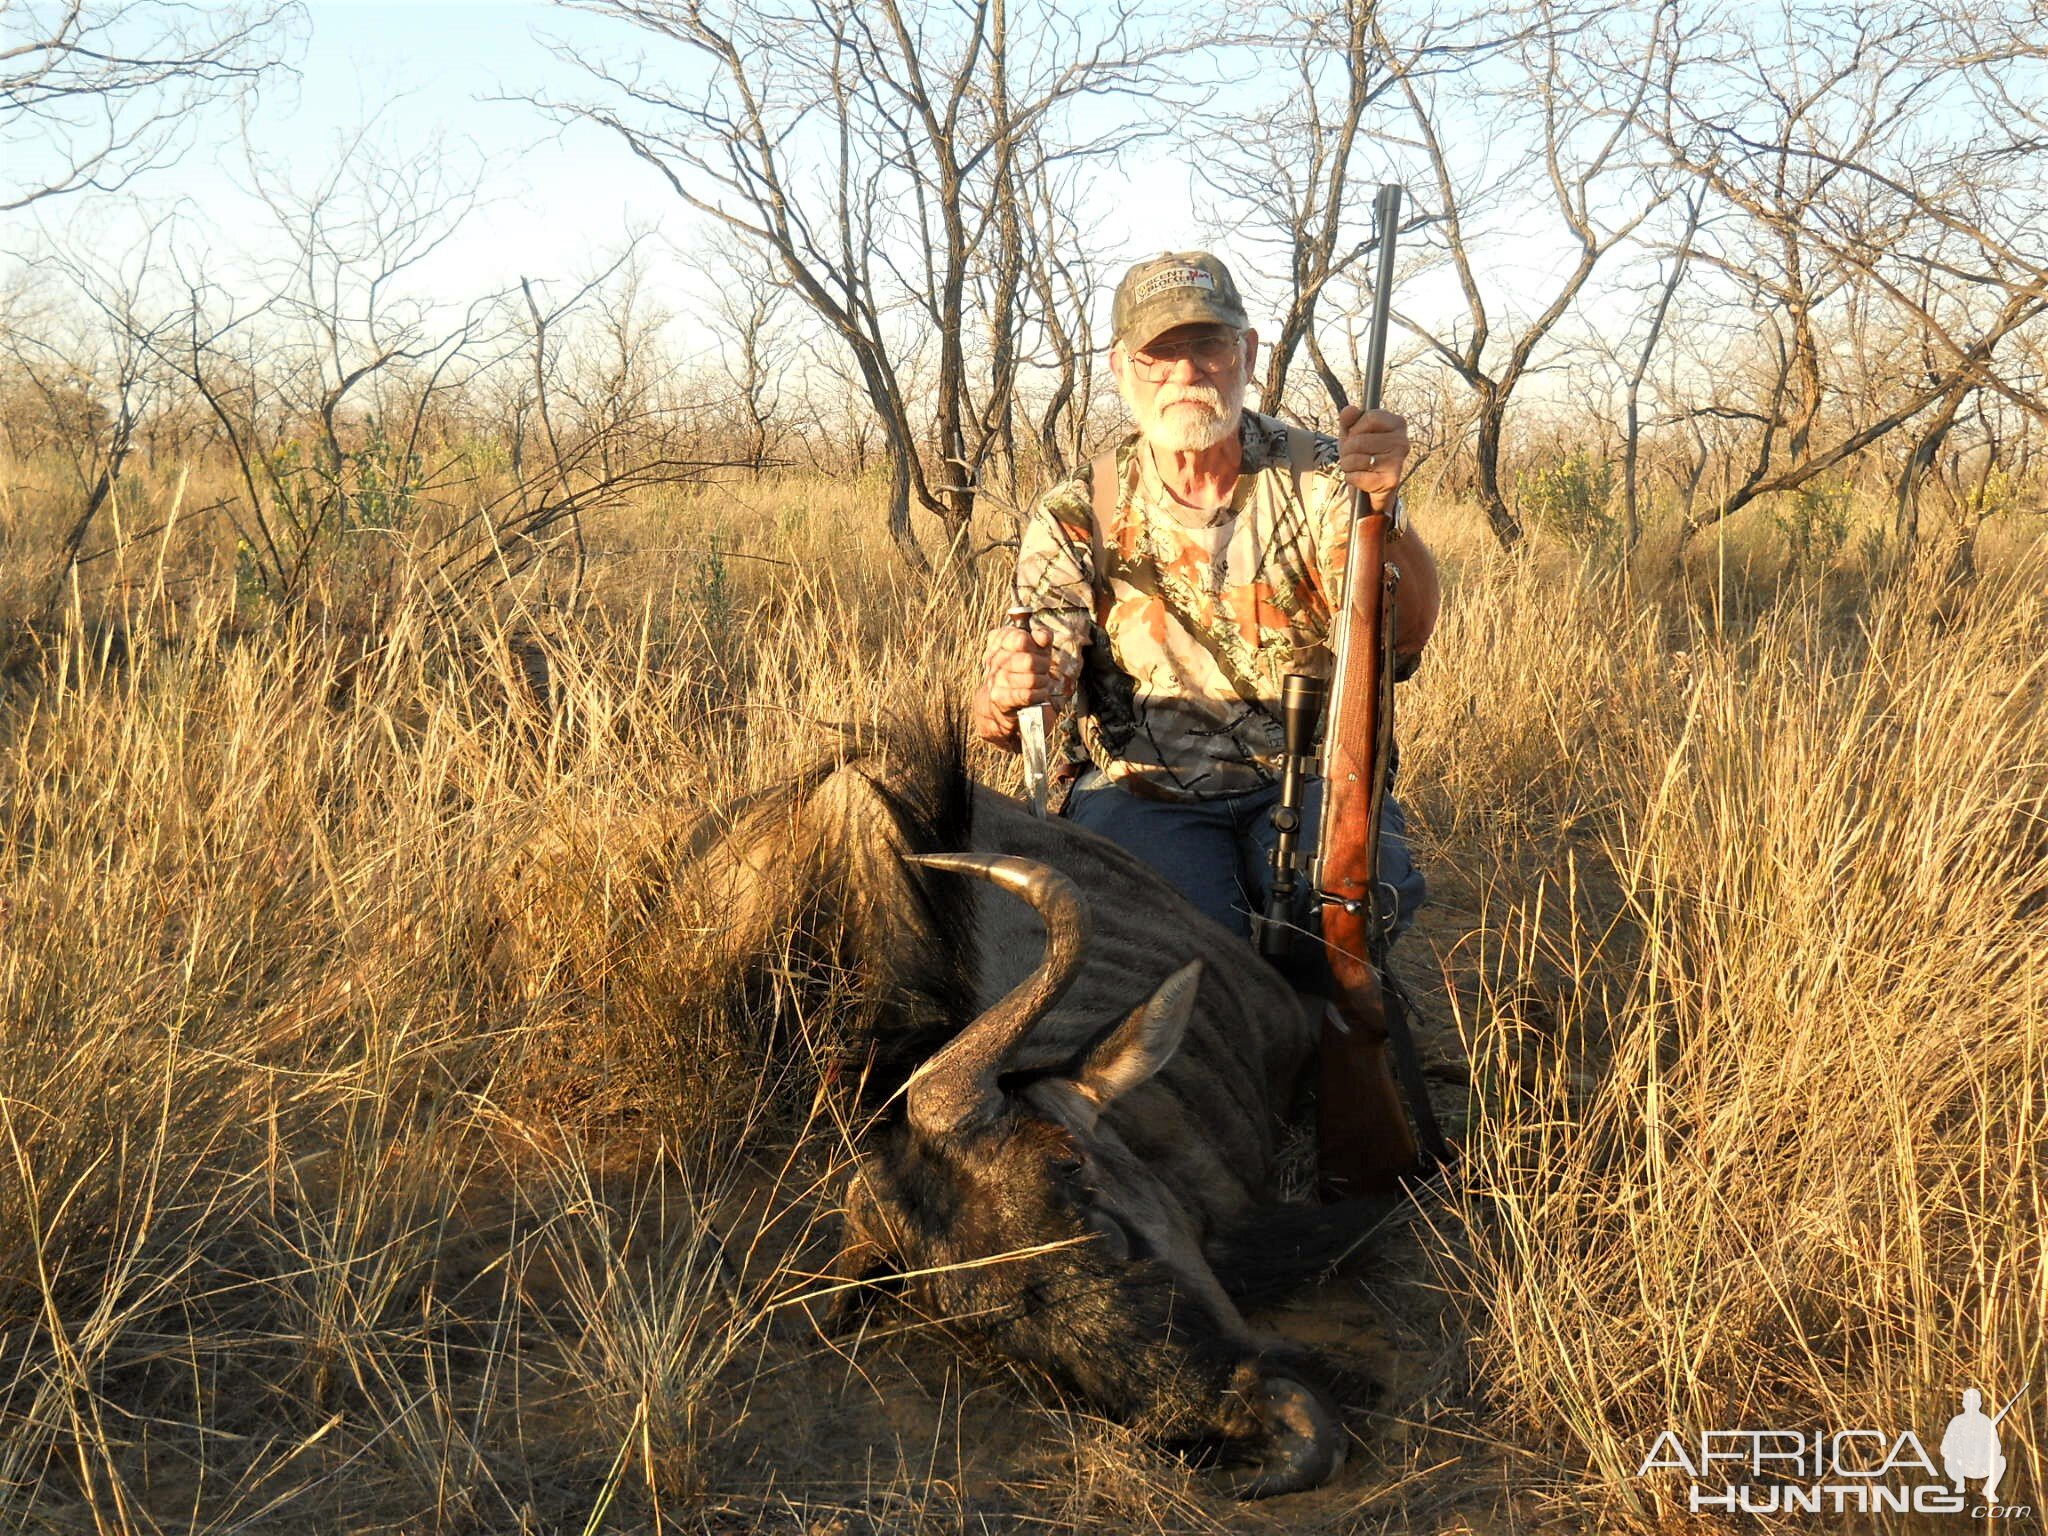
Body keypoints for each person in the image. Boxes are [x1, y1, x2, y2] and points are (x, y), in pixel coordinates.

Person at [972, 250, 1440, 954]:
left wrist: (1387, 511)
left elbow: (1402, 642)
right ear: (1122, 366)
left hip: (1307, 783)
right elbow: (1022, 716)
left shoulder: (1324, 472)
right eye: (1160, 354)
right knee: (1184, 953)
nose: (1187, 373)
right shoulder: (1081, 508)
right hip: (1143, 796)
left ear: (1246, 352)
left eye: (1209, 345)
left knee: (1343, 917)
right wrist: (1006, 697)